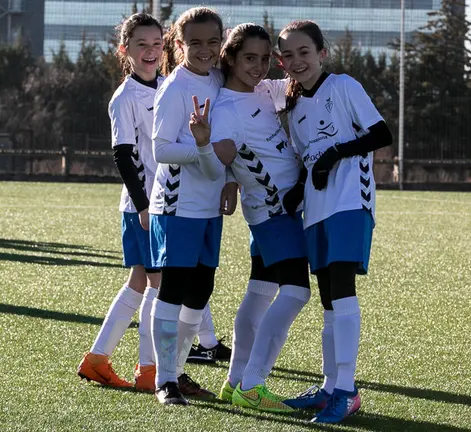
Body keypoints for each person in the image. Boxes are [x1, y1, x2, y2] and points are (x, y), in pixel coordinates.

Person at [276, 20, 392, 424]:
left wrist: (334, 155)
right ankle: (329, 388)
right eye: (288, 55)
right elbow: (310, 159)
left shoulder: (343, 85)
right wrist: (299, 188)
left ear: (321, 53)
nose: (297, 61)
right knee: (328, 300)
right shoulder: (295, 107)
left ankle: (347, 390)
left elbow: (381, 133)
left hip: (349, 201)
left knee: (341, 291)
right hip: (317, 208)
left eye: (304, 52)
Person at [206, 23, 311, 413]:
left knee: (260, 292)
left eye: (265, 58)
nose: (259, 66)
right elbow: (216, 156)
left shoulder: (264, 91)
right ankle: (254, 384)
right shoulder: (227, 108)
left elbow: (302, 82)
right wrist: (228, 179)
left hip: (276, 210)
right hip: (274, 213)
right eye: (249, 57)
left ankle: (234, 382)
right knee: (297, 292)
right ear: (230, 58)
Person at [148, 6, 237, 405]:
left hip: (208, 205)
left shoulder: (220, 79)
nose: (205, 49)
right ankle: (164, 380)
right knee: (174, 289)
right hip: (177, 205)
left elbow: (230, 137)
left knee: (201, 290)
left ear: (222, 43)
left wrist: (230, 179)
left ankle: (178, 369)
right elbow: (161, 148)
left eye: (212, 41)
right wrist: (202, 147)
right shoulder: (174, 88)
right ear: (179, 44)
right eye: (195, 42)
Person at [77, 12, 164, 392]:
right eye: (141, 45)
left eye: (157, 44)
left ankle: (98, 358)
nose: (150, 51)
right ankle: (149, 371)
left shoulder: (167, 86)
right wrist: (144, 205)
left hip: (164, 202)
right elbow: (123, 155)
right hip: (143, 207)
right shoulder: (125, 97)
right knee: (158, 286)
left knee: (140, 282)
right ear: (124, 50)